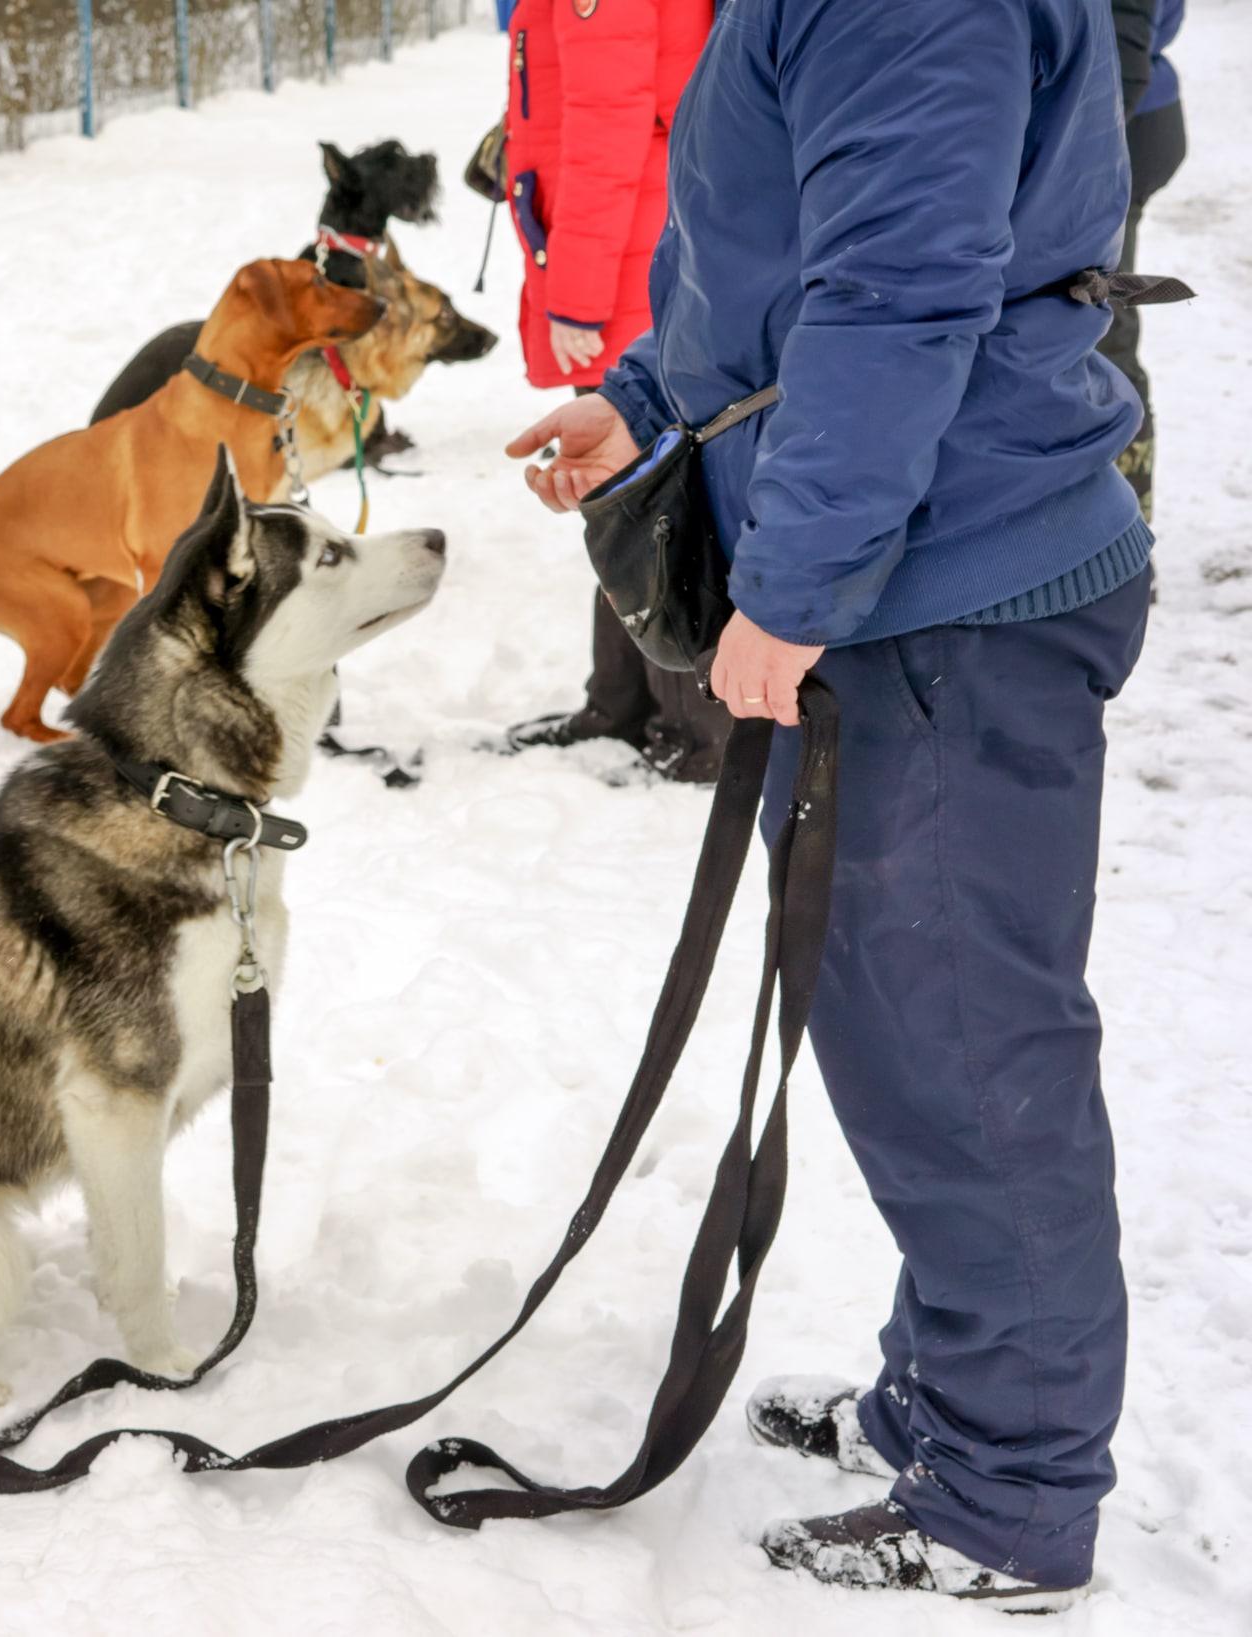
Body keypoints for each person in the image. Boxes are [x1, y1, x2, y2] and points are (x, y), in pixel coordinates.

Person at [509, 0, 1153, 1608]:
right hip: (909, 581)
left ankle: (1008, 1494)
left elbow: (895, 299)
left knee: (962, 1055)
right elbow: (789, 259)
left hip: (943, 599)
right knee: (905, 1040)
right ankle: (949, 1411)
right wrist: (651, 400)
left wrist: (787, 599)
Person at [496, 0, 732, 782]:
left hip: (626, 265)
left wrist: (578, 296)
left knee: (654, 499)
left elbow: (609, 129)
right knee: (623, 497)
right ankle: (624, 701)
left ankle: (697, 730)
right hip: (635, 248)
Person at [1105, 0, 1186, 520]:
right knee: (1099, 329)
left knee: (1102, 333)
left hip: (1119, 124)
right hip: (1132, 116)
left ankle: (1128, 532)